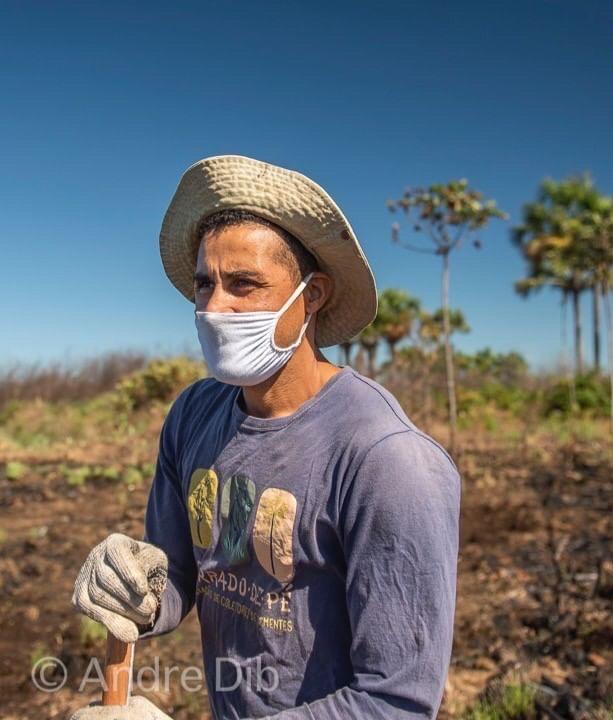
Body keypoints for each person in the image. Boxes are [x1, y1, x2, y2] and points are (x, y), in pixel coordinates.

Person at [71, 156, 461, 720]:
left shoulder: (388, 462)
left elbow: (395, 700)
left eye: (245, 285)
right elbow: (181, 575)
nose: (214, 307)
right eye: (205, 285)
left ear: (313, 294)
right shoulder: (193, 415)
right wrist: (136, 588)